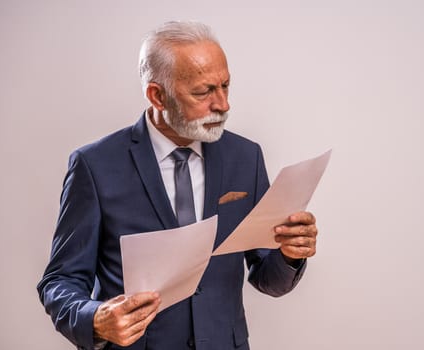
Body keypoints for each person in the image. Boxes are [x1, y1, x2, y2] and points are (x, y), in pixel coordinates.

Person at [37, 21, 318, 350]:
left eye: (226, 86)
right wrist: (95, 318)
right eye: (204, 92)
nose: (223, 104)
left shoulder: (246, 157)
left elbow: (268, 278)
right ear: (157, 95)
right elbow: (60, 281)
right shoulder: (94, 165)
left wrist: (289, 254)